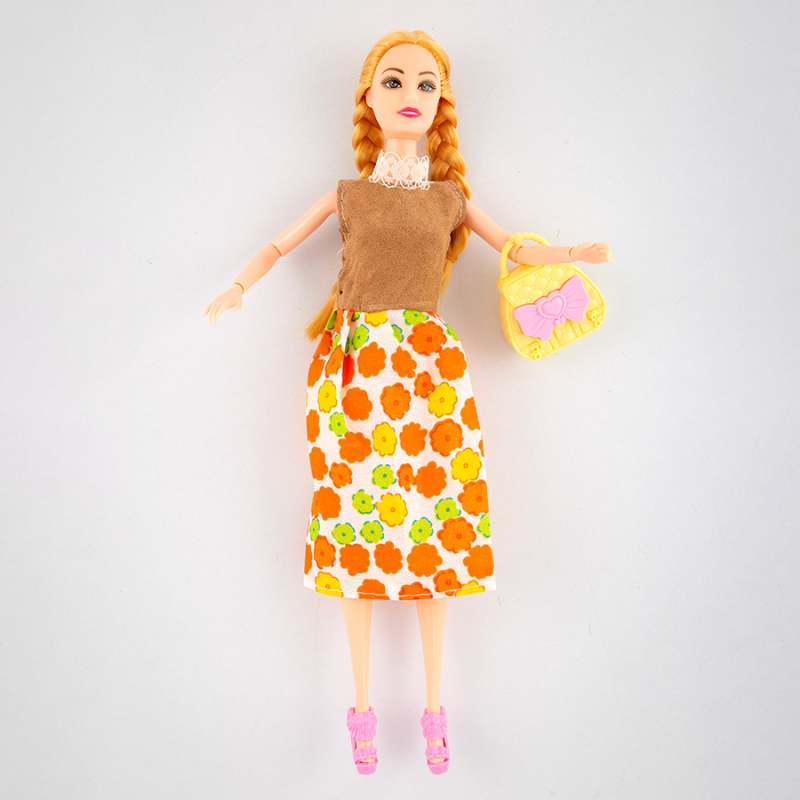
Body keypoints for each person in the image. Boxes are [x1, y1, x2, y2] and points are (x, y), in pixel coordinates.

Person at [204, 29, 610, 775]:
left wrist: (569, 255)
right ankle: (359, 707)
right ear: (367, 96)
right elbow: (279, 245)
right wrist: (236, 286)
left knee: (439, 516)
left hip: (428, 371)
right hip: (354, 369)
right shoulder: (348, 194)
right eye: (394, 81)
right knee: (352, 516)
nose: (411, 95)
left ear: (442, 101)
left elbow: (514, 248)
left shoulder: (451, 198)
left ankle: (434, 707)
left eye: (427, 84)